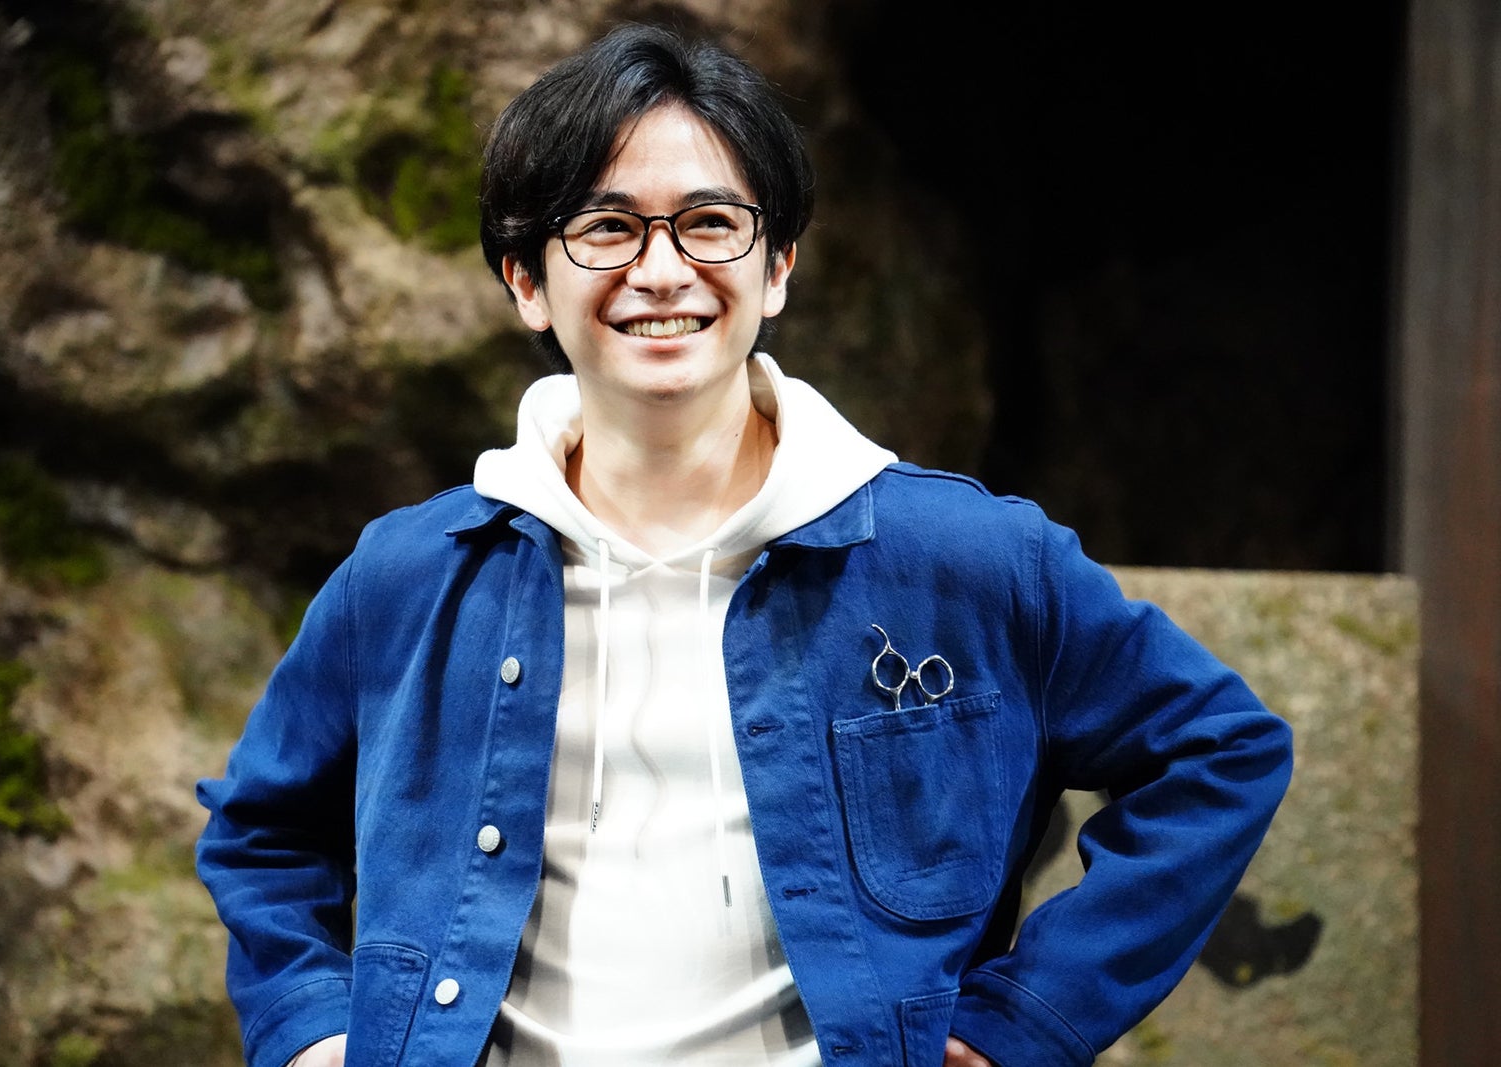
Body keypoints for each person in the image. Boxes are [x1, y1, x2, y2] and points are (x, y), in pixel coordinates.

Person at [196, 23, 1292, 1067]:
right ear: (528, 280)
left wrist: (1030, 1017)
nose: (662, 269)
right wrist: (310, 1025)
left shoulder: (966, 556)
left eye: (711, 222)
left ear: (777, 267)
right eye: (606, 226)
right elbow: (261, 830)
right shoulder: (408, 574)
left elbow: (1219, 750)